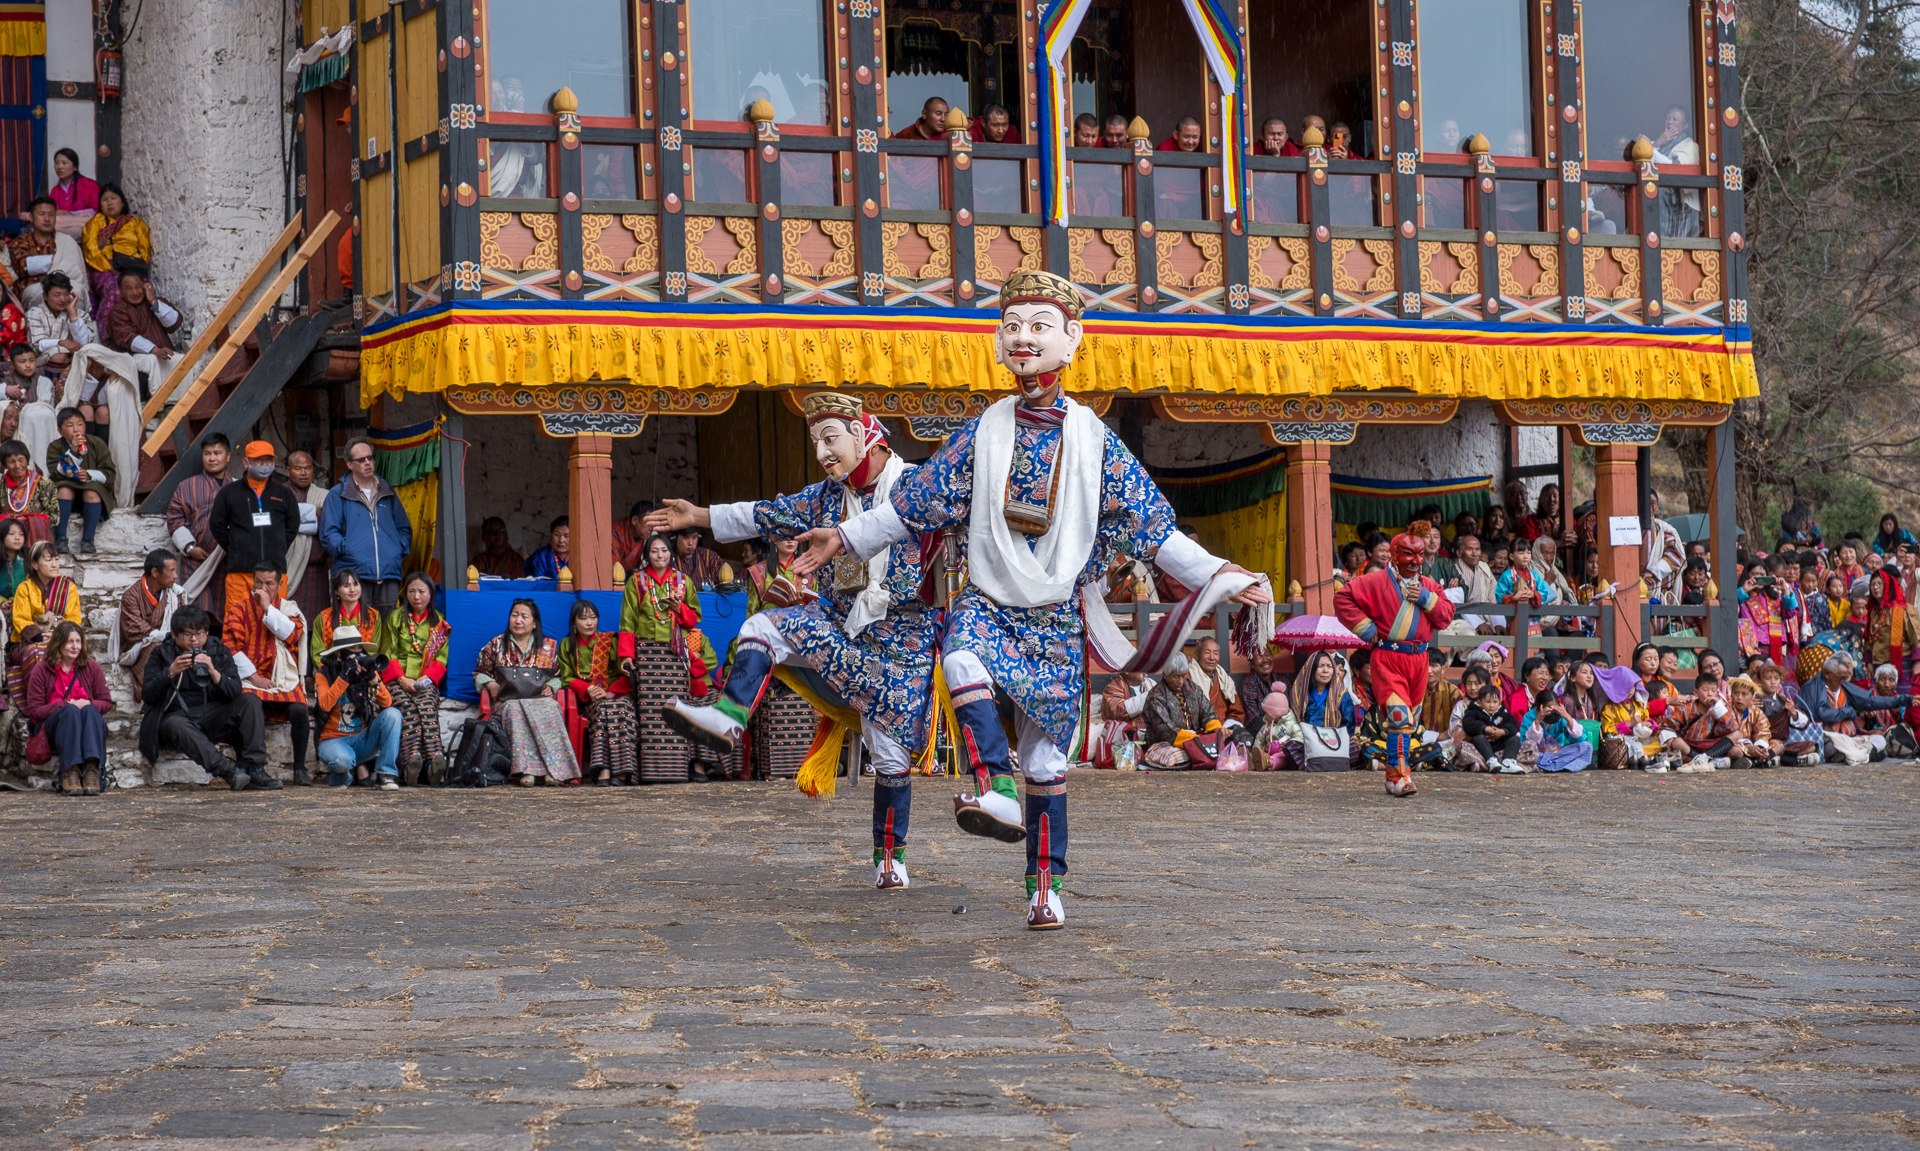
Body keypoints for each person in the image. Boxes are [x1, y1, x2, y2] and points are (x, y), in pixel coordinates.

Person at [793, 268, 1267, 929]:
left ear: (1072, 340)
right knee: (961, 658)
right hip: (989, 596)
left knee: (1047, 756)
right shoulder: (981, 431)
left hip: (1054, 611)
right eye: (1012, 325)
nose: (1023, 338)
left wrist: (1222, 570)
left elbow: (1154, 529)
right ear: (997, 340)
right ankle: (996, 784)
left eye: (1039, 326)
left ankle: (1044, 887)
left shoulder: (1098, 442)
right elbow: (910, 505)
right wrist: (843, 536)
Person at [648, 391, 942, 880]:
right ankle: (728, 715)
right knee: (762, 625)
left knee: (889, 757)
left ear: (864, 433)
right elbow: (764, 513)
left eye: (831, 439)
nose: (824, 452)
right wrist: (698, 516)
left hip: (903, 641)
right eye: (816, 443)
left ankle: (890, 860)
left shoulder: (915, 487)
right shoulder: (826, 498)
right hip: (843, 630)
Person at [1334, 520, 1456, 796]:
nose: (1416, 561)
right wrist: (1367, 630)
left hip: (1419, 662)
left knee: (1407, 722)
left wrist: (1427, 599)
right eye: (1408, 554)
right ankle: (1401, 776)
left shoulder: (1429, 586)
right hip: (1389, 658)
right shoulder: (1375, 581)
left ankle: (1391, 775)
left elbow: (1447, 616)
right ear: (1393, 554)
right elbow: (1343, 598)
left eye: (1420, 554)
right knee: (1400, 717)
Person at [138, 605, 276, 791]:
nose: (194, 639)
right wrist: (170, 672)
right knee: (174, 724)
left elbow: (235, 690)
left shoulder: (218, 650)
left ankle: (256, 769)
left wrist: (213, 672)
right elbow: (147, 695)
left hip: (212, 714)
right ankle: (228, 772)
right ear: (174, 635)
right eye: (187, 634)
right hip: (178, 718)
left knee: (250, 700)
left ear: (207, 632)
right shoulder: (161, 653)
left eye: (199, 633)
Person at [621, 532, 719, 782]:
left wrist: (679, 609)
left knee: (678, 709)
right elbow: (628, 621)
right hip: (648, 653)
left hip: (676, 653)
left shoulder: (683, 581)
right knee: (652, 713)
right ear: (647, 555)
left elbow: (694, 618)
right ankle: (652, 772)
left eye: (664, 551)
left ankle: (677, 769)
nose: (660, 556)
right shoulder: (637, 581)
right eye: (654, 551)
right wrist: (627, 655)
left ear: (670, 553)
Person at [474, 598, 579, 785]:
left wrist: (552, 686)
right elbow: (480, 671)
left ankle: (552, 771)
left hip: (539, 698)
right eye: (514, 616)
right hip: (508, 700)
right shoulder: (497, 644)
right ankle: (526, 772)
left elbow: (558, 675)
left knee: (551, 708)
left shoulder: (547, 647)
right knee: (515, 710)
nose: (518, 621)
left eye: (524, 616)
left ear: (534, 623)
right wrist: (490, 684)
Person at [225, 561, 311, 786]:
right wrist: (254, 677)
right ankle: (247, 764)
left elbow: (292, 636)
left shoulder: (290, 610)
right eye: (258, 582)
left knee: (300, 709)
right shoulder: (238, 611)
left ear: (280, 584)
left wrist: (267, 609)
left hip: (284, 679)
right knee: (248, 703)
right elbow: (230, 648)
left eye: (269, 583)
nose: (263, 588)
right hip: (250, 679)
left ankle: (300, 768)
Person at [318, 435, 411, 613]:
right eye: (361, 460)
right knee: (355, 633)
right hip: (353, 577)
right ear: (349, 464)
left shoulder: (388, 492)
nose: (368, 462)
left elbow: (403, 528)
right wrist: (349, 550)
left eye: (370, 457)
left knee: (386, 633)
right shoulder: (338, 495)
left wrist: (397, 549)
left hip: (388, 573)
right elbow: (329, 534)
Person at [209, 440, 300, 619]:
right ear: (246, 462)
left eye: (268, 461)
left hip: (274, 573)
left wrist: (278, 546)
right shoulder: (229, 493)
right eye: (259, 461)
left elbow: (292, 525)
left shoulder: (284, 493)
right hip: (240, 573)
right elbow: (217, 525)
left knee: (274, 620)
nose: (264, 466)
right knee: (237, 620)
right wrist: (237, 547)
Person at [376, 571, 449, 784]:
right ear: (404, 593)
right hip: (396, 680)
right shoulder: (395, 617)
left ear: (431, 594)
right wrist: (402, 680)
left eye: (421, 591)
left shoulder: (440, 623)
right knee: (407, 707)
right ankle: (413, 761)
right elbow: (387, 652)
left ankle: (431, 760)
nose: (416, 596)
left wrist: (424, 679)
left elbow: (441, 657)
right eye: (411, 591)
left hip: (425, 680)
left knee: (426, 706)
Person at [557, 599, 636, 785]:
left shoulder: (610, 642)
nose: (589, 623)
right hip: (589, 701)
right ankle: (604, 768)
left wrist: (610, 693)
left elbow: (624, 674)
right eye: (583, 618)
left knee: (621, 708)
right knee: (603, 710)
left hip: (616, 695)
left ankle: (622, 770)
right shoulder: (567, 645)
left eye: (593, 618)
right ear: (574, 622)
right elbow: (566, 677)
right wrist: (589, 689)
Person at [313, 623, 401, 789]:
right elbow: (325, 705)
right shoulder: (323, 673)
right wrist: (344, 676)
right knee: (342, 760)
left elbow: (387, 703)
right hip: (332, 740)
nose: (358, 653)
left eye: (360, 648)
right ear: (339, 653)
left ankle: (386, 774)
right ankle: (341, 776)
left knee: (393, 714)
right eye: (352, 649)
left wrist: (372, 678)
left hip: (361, 739)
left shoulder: (365, 671)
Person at [28, 620, 111, 794]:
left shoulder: (91, 667)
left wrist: (88, 702)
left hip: (86, 725)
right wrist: (63, 704)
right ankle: (70, 771)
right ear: (59, 643)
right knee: (71, 711)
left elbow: (105, 702)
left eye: (78, 641)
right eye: (70, 641)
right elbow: (34, 711)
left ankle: (91, 771)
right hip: (52, 727)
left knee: (90, 710)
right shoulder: (42, 669)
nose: (75, 646)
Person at [166, 435, 233, 611]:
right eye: (207, 453)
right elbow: (175, 520)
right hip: (196, 560)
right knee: (195, 612)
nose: (212, 458)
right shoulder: (187, 486)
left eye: (217, 453)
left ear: (228, 456)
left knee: (227, 612)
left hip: (228, 559)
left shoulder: (239, 487)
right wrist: (189, 548)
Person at [1807, 654, 1910, 764]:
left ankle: (1854, 755)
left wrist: (1904, 700)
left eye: (1848, 666)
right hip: (1832, 738)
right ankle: (1865, 755)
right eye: (1883, 680)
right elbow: (1822, 714)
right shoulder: (1817, 688)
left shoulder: (1849, 690)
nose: (1887, 684)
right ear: (1829, 673)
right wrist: (1851, 711)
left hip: (1851, 738)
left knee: (1880, 740)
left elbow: (1871, 703)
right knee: (1831, 746)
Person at [101, 270, 180, 399]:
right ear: (120, 290)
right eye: (129, 289)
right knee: (151, 360)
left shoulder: (155, 302)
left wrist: (154, 301)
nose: (135, 292)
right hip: (133, 363)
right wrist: (155, 350)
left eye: (138, 287)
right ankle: (157, 403)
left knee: (180, 359)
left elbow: (175, 323)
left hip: (162, 356)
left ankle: (177, 401)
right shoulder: (117, 311)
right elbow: (128, 338)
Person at [5, 197, 90, 313]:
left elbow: (76, 274)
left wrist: (42, 268)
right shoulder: (21, 241)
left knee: (78, 292)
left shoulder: (66, 241)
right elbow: (22, 267)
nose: (47, 219)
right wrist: (52, 267)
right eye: (42, 214)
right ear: (31, 217)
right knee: (37, 293)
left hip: (64, 286)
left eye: (51, 215)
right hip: (35, 288)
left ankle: (73, 326)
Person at [80, 184, 149, 322]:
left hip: (131, 266)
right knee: (115, 288)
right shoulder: (95, 222)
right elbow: (90, 249)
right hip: (104, 266)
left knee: (143, 290)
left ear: (122, 202)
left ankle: (140, 327)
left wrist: (134, 268)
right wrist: (109, 267)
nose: (109, 202)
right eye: (104, 199)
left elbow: (144, 251)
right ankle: (110, 330)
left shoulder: (136, 223)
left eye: (113, 198)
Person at [1142, 652, 1223, 768]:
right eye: (1176, 676)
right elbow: (1166, 729)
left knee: (1229, 737)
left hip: (1195, 739)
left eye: (1184, 675)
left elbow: (1207, 711)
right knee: (1177, 755)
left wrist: (1216, 728)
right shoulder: (1156, 696)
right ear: (1165, 674)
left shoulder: (1193, 688)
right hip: (1165, 744)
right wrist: (1195, 740)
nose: (1181, 681)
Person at [114, 548, 179, 690]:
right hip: (139, 644)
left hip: (171, 640)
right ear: (156, 572)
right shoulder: (131, 596)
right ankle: (154, 694)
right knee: (156, 650)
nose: (175, 575)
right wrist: (165, 635)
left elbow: (182, 621)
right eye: (172, 571)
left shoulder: (176, 594)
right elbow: (133, 629)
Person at [1657, 671, 1740, 772]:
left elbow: (1731, 727)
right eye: (1705, 690)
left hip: (1713, 746)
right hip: (1690, 746)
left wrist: (1718, 708)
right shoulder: (1685, 709)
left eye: (1713, 690)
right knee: (1677, 742)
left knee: (1736, 740)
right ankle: (1709, 761)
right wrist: (1671, 740)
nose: (1709, 693)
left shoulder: (1721, 708)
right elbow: (1666, 726)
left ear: (1717, 693)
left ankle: (1703, 759)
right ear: (1695, 692)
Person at [282, 450, 330, 623]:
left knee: (318, 621)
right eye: (298, 468)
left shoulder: (325, 496)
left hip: (317, 570)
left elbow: (330, 524)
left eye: (307, 468)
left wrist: (295, 517)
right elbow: (280, 523)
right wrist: (313, 513)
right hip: (288, 568)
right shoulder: (278, 494)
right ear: (288, 470)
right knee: (288, 619)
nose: (303, 473)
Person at [2, 344, 57, 485]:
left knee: (38, 415)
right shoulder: (5, 383)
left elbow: (46, 408)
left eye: (32, 361)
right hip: (13, 430)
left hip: (38, 429)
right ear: (12, 364)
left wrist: (28, 408)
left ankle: (45, 470)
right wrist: (6, 391)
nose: (28, 365)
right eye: (22, 362)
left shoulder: (43, 382)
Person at [310, 568, 383, 671]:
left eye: (356, 584)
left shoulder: (373, 616)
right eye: (346, 586)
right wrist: (332, 670)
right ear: (336, 591)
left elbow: (374, 649)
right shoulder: (323, 618)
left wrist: (361, 667)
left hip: (363, 669)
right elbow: (317, 653)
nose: (352, 589)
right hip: (331, 670)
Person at [1649, 104, 1700, 236]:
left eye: (1675, 119)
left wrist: (1652, 147)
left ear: (1685, 126)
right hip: (1659, 205)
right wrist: (1656, 144)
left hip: (1679, 207)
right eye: (1667, 118)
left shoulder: (1690, 146)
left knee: (1675, 249)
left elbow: (1674, 168)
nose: (1670, 122)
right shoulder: (1662, 144)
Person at [12, 539, 79, 633]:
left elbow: (73, 618)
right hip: (33, 639)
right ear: (35, 564)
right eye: (49, 560)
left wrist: (56, 637)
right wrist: (39, 637)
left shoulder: (68, 587)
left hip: (61, 637)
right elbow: (21, 619)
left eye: (56, 559)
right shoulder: (25, 588)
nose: (54, 565)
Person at [0, 436, 55, 547]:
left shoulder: (44, 483)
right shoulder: (1, 484)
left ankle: (34, 559)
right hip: (6, 531)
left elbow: (54, 515)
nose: (17, 466)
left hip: (33, 531)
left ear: (27, 460)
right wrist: (10, 521)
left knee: (36, 524)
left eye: (21, 460)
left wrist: (28, 519)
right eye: (12, 462)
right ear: (5, 465)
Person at [1521, 688, 1591, 772]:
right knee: (1526, 755)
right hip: (1537, 756)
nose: (1552, 713)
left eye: (1555, 710)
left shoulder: (1560, 717)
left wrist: (1568, 718)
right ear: (1539, 708)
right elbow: (1526, 744)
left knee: (1587, 746)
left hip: (1557, 754)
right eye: (1549, 710)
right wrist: (1538, 720)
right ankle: (1554, 766)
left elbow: (1580, 740)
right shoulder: (1529, 717)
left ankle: (1546, 767)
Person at [1462, 683, 1524, 773]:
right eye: (1487, 702)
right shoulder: (1473, 712)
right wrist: (1484, 729)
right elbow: (1468, 724)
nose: (1491, 705)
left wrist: (1503, 731)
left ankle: (1508, 762)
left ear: (1500, 702)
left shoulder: (1504, 714)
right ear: (1479, 702)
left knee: (1515, 739)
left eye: (1495, 702)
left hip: (1501, 745)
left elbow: (1514, 725)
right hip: (1482, 747)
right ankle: (1491, 761)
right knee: (1478, 738)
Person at [1722, 675, 1780, 768]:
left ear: (1752, 697)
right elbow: (1725, 735)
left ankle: (1756, 759)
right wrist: (1748, 746)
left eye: (1744, 694)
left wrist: (1760, 748)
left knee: (1779, 744)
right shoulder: (1726, 710)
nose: (1739, 697)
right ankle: (1761, 761)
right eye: (1736, 693)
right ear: (1731, 694)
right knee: (1734, 751)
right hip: (1737, 745)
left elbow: (1763, 732)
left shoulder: (1756, 712)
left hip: (1754, 746)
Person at [1191, 636, 1245, 733]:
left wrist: (1227, 728)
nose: (1212, 657)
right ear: (1197, 655)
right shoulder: (1188, 676)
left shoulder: (1224, 679)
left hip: (1224, 730)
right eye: (1207, 653)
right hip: (1199, 731)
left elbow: (1236, 711)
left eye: (1215, 653)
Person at [49, 149, 100, 217]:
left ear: (75, 167)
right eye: (57, 163)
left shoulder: (89, 186)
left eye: (64, 163)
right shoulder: (54, 192)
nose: (59, 167)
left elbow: (99, 211)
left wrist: (73, 214)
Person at [610, 500, 654, 573]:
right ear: (635, 520)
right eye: (649, 524)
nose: (651, 529)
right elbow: (613, 567)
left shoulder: (643, 536)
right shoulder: (615, 532)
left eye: (653, 525)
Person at [523, 515, 572, 580]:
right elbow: (537, 584)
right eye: (556, 535)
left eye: (566, 536)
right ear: (551, 535)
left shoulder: (579, 557)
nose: (561, 540)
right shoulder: (540, 557)